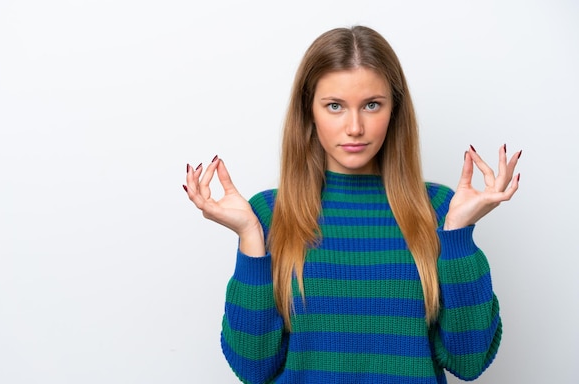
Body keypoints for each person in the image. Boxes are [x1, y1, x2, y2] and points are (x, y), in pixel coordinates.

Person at [183, 25, 521, 384]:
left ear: (395, 111)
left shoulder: (438, 209)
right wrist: (250, 239)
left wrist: (458, 238)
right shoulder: (268, 214)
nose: (355, 127)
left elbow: (469, 361)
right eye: (335, 106)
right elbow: (253, 368)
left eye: (372, 105)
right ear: (309, 112)